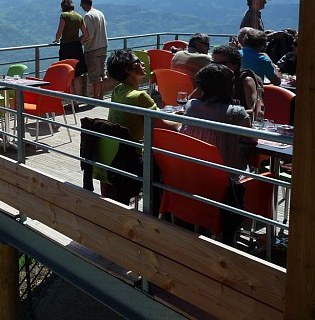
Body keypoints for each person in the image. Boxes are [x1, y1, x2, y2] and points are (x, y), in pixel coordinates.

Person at [180, 64, 251, 244]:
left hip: (194, 174)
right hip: (226, 178)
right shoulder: (237, 113)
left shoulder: (191, 106)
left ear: (201, 87)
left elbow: (190, 98)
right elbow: (251, 140)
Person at [106, 49, 180, 143]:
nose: (143, 63)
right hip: (135, 152)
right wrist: (186, 121)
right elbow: (164, 125)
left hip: (119, 147)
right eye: (137, 61)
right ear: (127, 69)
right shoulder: (140, 96)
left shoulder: (117, 90)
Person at [212, 45, 262, 117]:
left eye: (222, 64)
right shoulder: (211, 79)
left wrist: (222, 113)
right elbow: (191, 102)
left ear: (235, 65)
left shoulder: (245, 80)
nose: (216, 67)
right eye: (214, 63)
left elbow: (255, 111)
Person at [53, 0, 89, 96]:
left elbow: (59, 33)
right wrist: (78, 41)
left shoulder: (64, 16)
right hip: (77, 48)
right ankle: (79, 98)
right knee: (77, 75)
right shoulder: (79, 17)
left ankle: (73, 102)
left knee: (68, 74)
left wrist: (56, 40)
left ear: (63, 7)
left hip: (66, 48)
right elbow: (86, 34)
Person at [80, 0, 108, 100]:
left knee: (95, 76)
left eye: (81, 4)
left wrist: (80, 40)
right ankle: (101, 95)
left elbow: (89, 34)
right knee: (102, 73)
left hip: (93, 48)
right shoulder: (100, 13)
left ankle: (96, 98)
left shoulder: (88, 16)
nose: (81, 6)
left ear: (85, 4)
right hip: (103, 46)